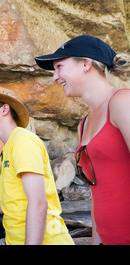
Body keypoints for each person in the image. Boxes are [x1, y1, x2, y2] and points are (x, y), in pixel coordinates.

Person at [35, 35, 130, 245]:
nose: (54, 77)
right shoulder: (84, 124)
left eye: (59, 67)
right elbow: (98, 190)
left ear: (86, 64)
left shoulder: (123, 102)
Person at [0, 85, 74, 245]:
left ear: (4, 109)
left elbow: (38, 202)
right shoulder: (8, 149)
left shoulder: (22, 141)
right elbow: (14, 203)